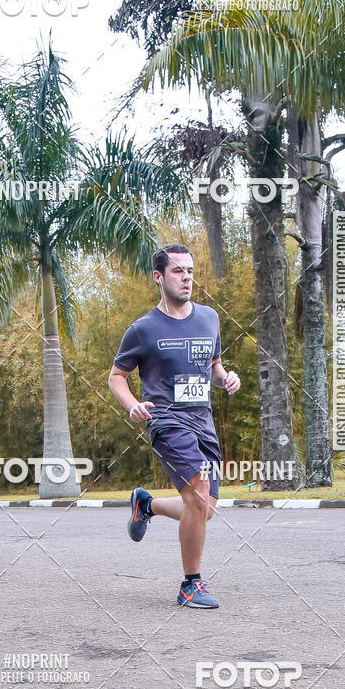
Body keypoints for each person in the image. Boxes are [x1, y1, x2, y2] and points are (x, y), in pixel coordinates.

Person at [109, 244, 240, 608]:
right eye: (178, 271)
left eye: (190, 271)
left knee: (204, 508)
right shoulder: (143, 329)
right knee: (198, 492)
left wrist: (227, 378)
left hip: (203, 420)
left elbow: (212, 367)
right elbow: (116, 377)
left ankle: (145, 504)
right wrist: (134, 405)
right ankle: (190, 585)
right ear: (159, 276)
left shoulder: (209, 318)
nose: (186, 278)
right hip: (166, 419)